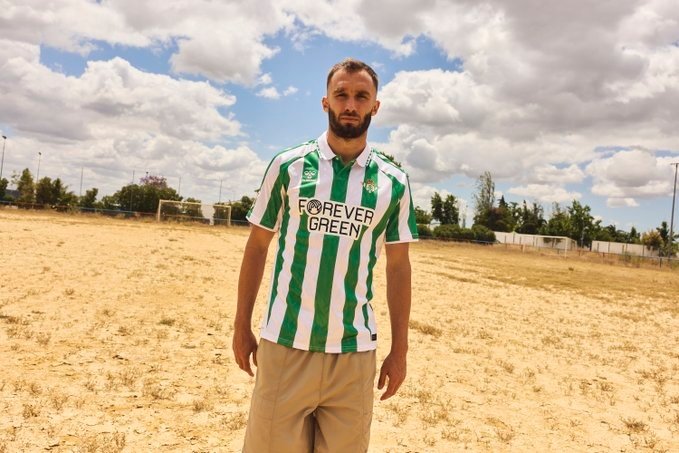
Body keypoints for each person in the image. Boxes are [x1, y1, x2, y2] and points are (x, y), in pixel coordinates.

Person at [232, 58, 418, 452]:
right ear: (325, 103)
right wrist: (241, 325)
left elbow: (399, 267)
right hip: (285, 344)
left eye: (361, 96)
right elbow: (257, 247)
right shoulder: (287, 166)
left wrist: (399, 350)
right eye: (342, 95)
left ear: (375, 107)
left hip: (353, 354)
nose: (350, 104)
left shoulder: (394, 183)